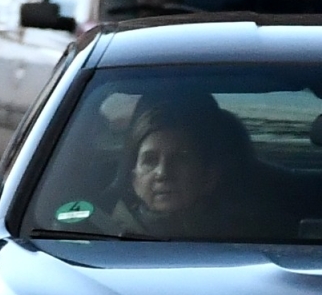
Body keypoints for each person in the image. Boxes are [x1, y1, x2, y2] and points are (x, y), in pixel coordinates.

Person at [106, 95, 271, 240]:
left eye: (180, 159)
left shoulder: (253, 238)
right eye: (150, 160)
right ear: (134, 178)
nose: (163, 173)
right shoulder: (102, 234)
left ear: (208, 177)